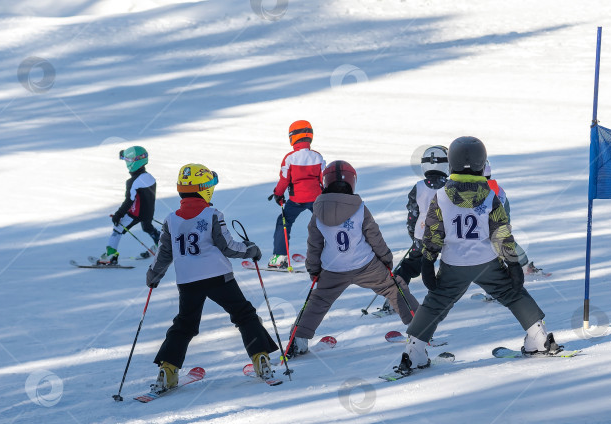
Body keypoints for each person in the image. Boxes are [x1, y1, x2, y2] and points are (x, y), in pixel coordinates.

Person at [399, 136, 563, 374]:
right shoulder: (489, 196)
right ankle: (538, 338)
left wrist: (427, 261)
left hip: (453, 263)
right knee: (513, 293)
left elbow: (433, 233)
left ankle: (414, 352)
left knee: (435, 304)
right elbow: (501, 233)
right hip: (487, 262)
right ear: (481, 163)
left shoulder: (442, 196)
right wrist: (513, 264)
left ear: (451, 164)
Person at [146, 164, 280, 390]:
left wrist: (154, 275)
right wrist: (251, 250)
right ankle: (261, 360)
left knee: (184, 325)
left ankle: (167, 371)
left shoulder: (171, 219)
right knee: (244, 315)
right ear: (204, 189)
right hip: (219, 276)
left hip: (188, 281)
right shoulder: (212, 214)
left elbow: (164, 254)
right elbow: (228, 247)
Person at [289, 160, 419, 357]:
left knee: (318, 300)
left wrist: (314, 269)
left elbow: (314, 244)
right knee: (394, 287)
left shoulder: (317, 211)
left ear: (325, 182)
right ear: (352, 182)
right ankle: (419, 328)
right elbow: (373, 235)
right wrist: (385, 258)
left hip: (333, 268)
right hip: (365, 264)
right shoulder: (359, 207)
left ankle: (297, 340)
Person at [374, 145, 449, 316]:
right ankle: (442, 299)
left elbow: (412, 215)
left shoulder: (419, 187)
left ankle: (393, 298)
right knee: (453, 264)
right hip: (447, 236)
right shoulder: (451, 186)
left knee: (411, 266)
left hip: (422, 235)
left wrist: (414, 236)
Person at [267, 120, 326, 269]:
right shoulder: (317, 156)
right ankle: (331, 255)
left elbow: (284, 179)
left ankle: (279, 258)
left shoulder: (290, 158)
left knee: (283, 222)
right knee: (324, 225)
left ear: (293, 137)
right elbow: (323, 179)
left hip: (296, 200)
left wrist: (278, 194)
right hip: (316, 199)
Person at [98, 146, 159, 265]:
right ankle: (163, 246)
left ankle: (111, 256)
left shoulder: (132, 182)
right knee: (147, 227)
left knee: (117, 229)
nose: (126, 163)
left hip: (135, 214)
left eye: (127, 160)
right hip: (149, 212)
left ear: (133, 163)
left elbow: (129, 201)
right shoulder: (151, 178)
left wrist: (118, 215)